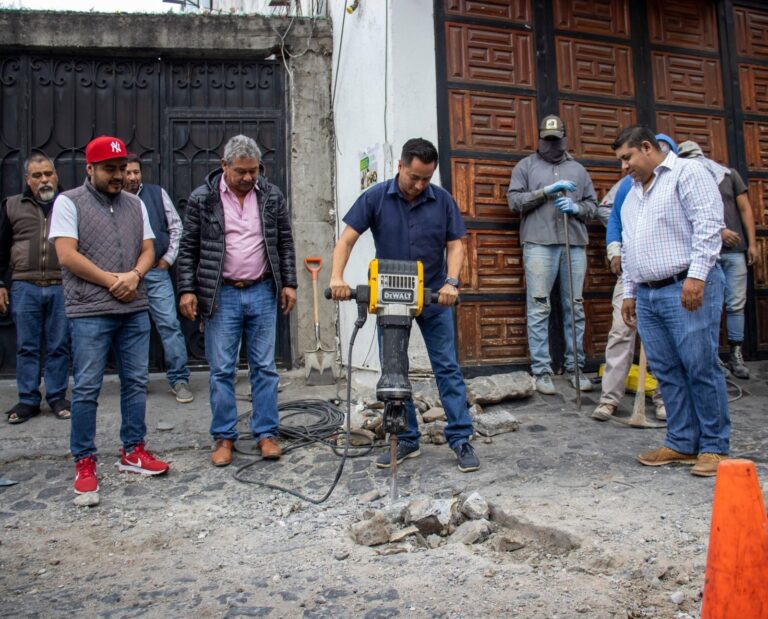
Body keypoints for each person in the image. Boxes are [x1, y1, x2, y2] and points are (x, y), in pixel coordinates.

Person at [330, 137, 480, 473]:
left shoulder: (441, 200)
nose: (420, 184)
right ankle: (408, 437)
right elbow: (347, 239)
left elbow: (456, 245)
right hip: (390, 298)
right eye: (414, 176)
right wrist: (337, 278)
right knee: (394, 370)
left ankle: (460, 438)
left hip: (433, 296)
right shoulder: (375, 197)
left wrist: (451, 283)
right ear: (400, 166)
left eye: (427, 178)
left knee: (447, 368)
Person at [49, 136, 169, 495]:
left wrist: (134, 276)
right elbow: (67, 255)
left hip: (133, 306)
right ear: (90, 169)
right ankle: (84, 460)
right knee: (87, 387)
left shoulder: (135, 204)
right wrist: (111, 281)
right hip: (90, 309)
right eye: (109, 169)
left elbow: (149, 248)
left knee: (135, 382)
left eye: (121, 168)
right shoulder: (68, 202)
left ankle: (133, 450)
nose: (118, 176)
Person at [613, 125, 729, 477]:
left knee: (699, 365)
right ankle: (680, 442)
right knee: (666, 370)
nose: (624, 167)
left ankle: (714, 446)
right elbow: (631, 247)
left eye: (627, 158)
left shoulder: (688, 172)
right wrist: (631, 292)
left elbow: (708, 225)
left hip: (686, 286)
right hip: (648, 293)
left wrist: (696, 277)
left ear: (647, 148)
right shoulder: (632, 194)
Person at [176, 135, 297, 467]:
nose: (247, 178)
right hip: (222, 294)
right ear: (223, 165)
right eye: (241, 171)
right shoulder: (203, 200)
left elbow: (285, 242)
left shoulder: (271, 196)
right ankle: (224, 436)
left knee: (265, 368)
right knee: (222, 370)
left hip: (261, 290)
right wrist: (187, 290)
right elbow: (187, 250)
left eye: (253, 172)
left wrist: (289, 283)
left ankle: (266, 433)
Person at [507, 115, 598, 395]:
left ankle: (575, 367)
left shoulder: (578, 170)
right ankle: (542, 369)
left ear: (564, 138)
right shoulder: (525, 167)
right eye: (547, 140)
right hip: (538, 244)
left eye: (556, 139)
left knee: (575, 306)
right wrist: (544, 192)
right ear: (539, 139)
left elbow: (593, 206)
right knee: (539, 307)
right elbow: (514, 201)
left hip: (574, 245)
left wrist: (578, 208)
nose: (551, 144)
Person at [591, 134, 678, 422]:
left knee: (661, 340)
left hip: (668, 277)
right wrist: (614, 250)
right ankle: (609, 399)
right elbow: (614, 218)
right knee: (620, 331)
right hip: (632, 274)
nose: (626, 165)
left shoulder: (676, 182)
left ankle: (664, 399)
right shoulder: (628, 185)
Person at [677, 140, 758, 380]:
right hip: (703, 253)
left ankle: (736, 354)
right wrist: (719, 231)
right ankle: (710, 357)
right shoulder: (683, 178)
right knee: (704, 308)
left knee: (735, 304)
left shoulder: (728, 175)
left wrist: (752, 243)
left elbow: (745, 209)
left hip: (734, 251)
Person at [0, 154, 71, 424]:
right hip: (24, 285)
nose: (44, 180)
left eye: (48, 174)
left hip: (61, 285)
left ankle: (56, 397)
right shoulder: (11, 206)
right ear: (27, 180)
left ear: (56, 175)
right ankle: (28, 399)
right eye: (37, 175)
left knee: (59, 346)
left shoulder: (69, 203)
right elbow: (2, 247)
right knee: (26, 346)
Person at [123, 154, 193, 402]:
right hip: (123, 277)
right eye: (128, 172)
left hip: (155, 272)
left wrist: (168, 260)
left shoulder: (156, 193)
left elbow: (177, 227)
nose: (132, 177)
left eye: (136, 172)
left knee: (169, 325)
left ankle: (179, 379)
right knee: (131, 330)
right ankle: (136, 382)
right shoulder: (110, 199)